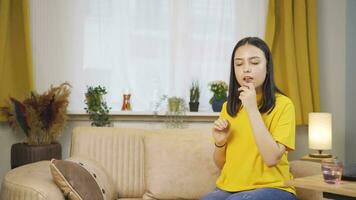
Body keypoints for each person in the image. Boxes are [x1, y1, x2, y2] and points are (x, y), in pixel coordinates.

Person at [201, 37, 297, 200]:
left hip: (275, 188)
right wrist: (220, 142)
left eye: (254, 62)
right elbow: (221, 164)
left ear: (267, 66)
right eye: (239, 64)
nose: (246, 69)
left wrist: (252, 109)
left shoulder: (283, 105)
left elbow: (272, 158)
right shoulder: (228, 107)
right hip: (230, 188)